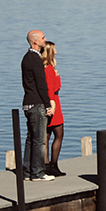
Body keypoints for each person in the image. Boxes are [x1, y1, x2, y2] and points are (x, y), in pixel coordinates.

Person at [21, 29, 55, 182]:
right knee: (40, 139)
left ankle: (27, 171)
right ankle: (38, 172)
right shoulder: (35, 59)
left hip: (27, 103)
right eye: (42, 38)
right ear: (35, 41)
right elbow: (41, 84)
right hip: (37, 103)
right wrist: (47, 105)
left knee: (30, 138)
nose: (44, 40)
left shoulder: (26, 58)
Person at [41, 40, 66, 176]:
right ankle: (52, 164)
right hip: (53, 102)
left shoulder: (43, 68)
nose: (56, 52)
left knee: (46, 134)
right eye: (54, 50)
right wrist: (52, 105)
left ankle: (46, 164)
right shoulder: (49, 69)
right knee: (59, 134)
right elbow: (51, 89)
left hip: (48, 102)